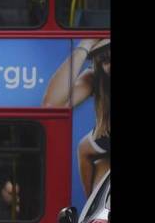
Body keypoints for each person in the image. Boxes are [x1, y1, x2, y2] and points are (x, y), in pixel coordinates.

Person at [42, 38, 110, 197]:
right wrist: (84, 46)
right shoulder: (96, 78)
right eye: (106, 60)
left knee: (84, 148)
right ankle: (90, 205)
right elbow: (52, 104)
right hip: (106, 143)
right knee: (85, 151)